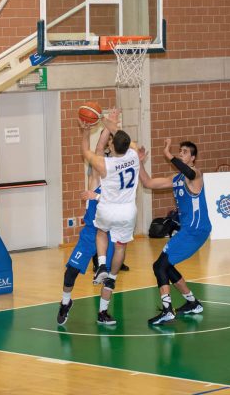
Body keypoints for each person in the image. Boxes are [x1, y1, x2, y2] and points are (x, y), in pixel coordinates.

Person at [137, 138, 211, 325]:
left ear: (193, 158)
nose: (181, 154)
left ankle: (168, 310)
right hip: (188, 230)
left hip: (196, 230)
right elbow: (148, 183)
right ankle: (192, 302)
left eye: (185, 152)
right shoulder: (176, 179)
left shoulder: (195, 174)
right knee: (165, 265)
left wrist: (168, 154)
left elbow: (186, 170)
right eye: (180, 151)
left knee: (159, 266)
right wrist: (139, 162)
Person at [80, 112, 140, 325]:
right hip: (128, 212)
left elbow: (87, 151)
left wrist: (87, 128)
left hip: (108, 209)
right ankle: (112, 274)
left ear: (112, 147)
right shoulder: (134, 155)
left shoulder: (105, 164)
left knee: (101, 232)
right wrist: (108, 122)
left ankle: (102, 265)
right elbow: (121, 135)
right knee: (121, 246)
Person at [57, 125, 116, 325]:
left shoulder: (117, 186)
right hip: (90, 233)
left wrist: (96, 196)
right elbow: (94, 150)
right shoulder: (95, 179)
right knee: (70, 271)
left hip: (109, 234)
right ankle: (65, 303)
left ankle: (103, 312)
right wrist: (88, 131)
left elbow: (115, 204)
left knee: (109, 277)